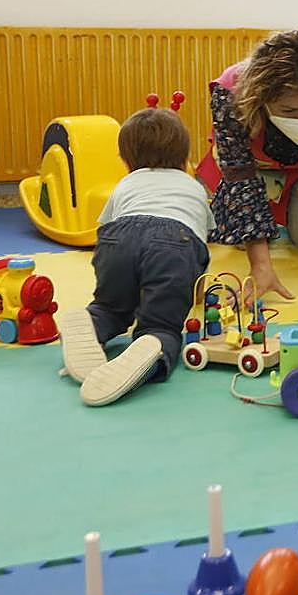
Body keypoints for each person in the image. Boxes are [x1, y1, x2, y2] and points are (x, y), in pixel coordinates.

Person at [58, 106, 213, 406]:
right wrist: (196, 294)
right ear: (184, 157)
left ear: (126, 160)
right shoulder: (193, 188)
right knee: (162, 324)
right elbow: (200, 246)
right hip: (174, 242)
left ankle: (92, 321)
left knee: (111, 307)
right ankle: (153, 341)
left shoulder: (126, 184)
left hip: (118, 239)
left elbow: (105, 229)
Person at [203, 30, 298, 301]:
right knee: (238, 234)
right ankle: (268, 211)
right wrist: (261, 267)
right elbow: (240, 175)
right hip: (256, 162)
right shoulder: (230, 94)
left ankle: (288, 204)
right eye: (289, 110)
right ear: (261, 98)